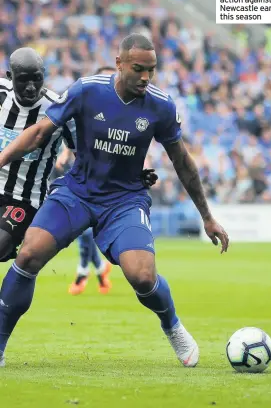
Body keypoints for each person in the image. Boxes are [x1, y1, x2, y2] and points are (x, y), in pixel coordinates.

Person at [0, 34, 229, 368]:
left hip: (124, 200)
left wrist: (207, 217)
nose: (146, 77)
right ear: (120, 64)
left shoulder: (161, 106)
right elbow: (38, 134)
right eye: (139, 69)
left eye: (152, 70)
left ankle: (173, 326)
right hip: (76, 192)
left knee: (143, 276)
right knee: (30, 253)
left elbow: (183, 162)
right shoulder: (86, 90)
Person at [55, 65, 158, 295]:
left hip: (116, 196)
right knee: (82, 234)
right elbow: (70, 133)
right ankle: (95, 270)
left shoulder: (131, 120)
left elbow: (133, 156)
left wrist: (142, 173)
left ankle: (89, 270)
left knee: (88, 236)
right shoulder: (87, 104)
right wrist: (65, 154)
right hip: (83, 186)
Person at [0, 47, 76, 264]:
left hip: (23, 199)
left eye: (37, 79)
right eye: (23, 80)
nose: (31, 87)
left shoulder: (59, 109)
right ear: (10, 77)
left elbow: (85, 155)